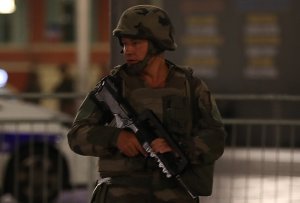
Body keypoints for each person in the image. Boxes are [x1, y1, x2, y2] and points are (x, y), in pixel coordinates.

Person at [67, 5, 226, 203]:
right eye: (124, 44)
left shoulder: (190, 86)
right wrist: (116, 138)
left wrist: (178, 149)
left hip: (174, 192)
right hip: (123, 194)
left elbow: (216, 136)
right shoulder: (114, 88)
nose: (127, 51)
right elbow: (76, 135)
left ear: (157, 44)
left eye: (135, 43)